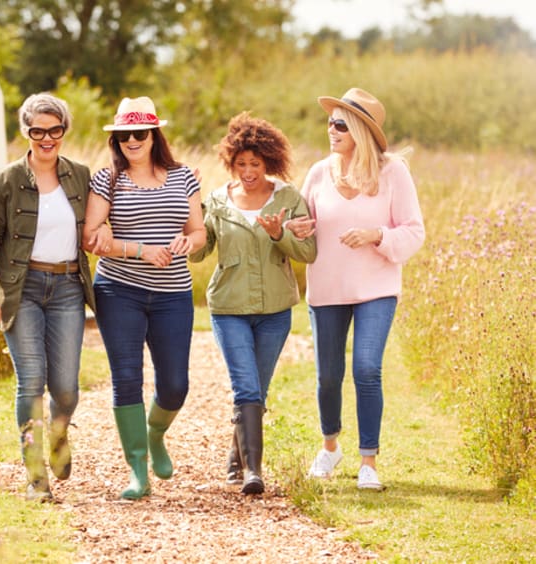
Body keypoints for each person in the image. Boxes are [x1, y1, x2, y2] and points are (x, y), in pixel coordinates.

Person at [0, 92, 104, 501]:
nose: (47, 138)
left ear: (64, 130)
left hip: (68, 287)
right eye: (38, 131)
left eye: (55, 130)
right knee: (30, 382)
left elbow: (101, 223)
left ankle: (58, 432)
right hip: (22, 289)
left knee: (66, 389)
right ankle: (35, 478)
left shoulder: (81, 176)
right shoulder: (5, 182)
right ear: (26, 131)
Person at [298, 87, 425, 490]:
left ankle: (368, 461)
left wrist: (377, 235)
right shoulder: (319, 172)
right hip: (327, 290)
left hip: (376, 289)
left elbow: (414, 232)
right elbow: (304, 230)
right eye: (330, 122)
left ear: (359, 131)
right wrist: (292, 230)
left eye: (340, 124)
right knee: (328, 376)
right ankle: (330, 446)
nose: (330, 129)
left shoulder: (392, 173)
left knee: (367, 369)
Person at [82, 96, 206, 500]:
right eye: (124, 134)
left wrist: (188, 241)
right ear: (116, 139)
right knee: (127, 379)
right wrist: (139, 250)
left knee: (175, 385)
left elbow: (199, 232)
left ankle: (155, 435)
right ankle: (138, 471)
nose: (132, 140)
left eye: (140, 132)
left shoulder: (184, 177)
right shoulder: (106, 181)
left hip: (173, 294)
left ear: (155, 135)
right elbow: (91, 237)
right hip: (119, 292)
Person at [189, 112, 316, 494]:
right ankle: (253, 472)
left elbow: (307, 252)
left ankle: (236, 456)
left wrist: (279, 235)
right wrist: (189, 207)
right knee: (245, 388)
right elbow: (199, 254)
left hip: (276, 311)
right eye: (241, 163)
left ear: (269, 162)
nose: (248, 171)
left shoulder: (289, 199)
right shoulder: (216, 200)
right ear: (231, 162)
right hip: (229, 309)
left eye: (255, 164)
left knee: (257, 389)